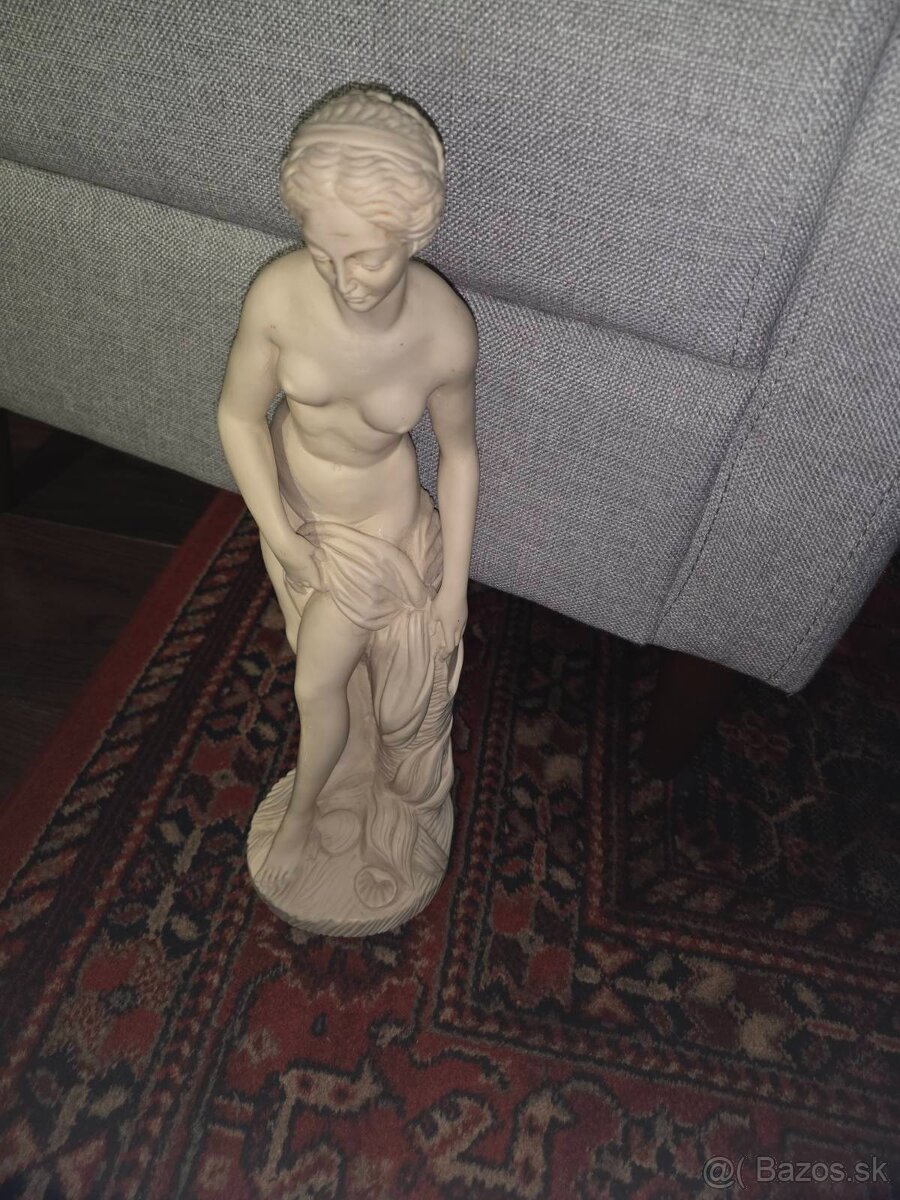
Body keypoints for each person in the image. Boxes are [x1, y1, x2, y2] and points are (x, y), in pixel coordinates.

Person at [217, 86, 478, 907]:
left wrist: (454, 590)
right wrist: (279, 531)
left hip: (377, 537)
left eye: (366, 257)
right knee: (327, 670)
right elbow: (238, 416)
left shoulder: (443, 331)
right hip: (294, 516)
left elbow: (461, 458)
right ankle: (349, 772)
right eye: (322, 252)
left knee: (316, 686)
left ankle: (303, 819)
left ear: (415, 231)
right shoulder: (279, 296)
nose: (344, 281)